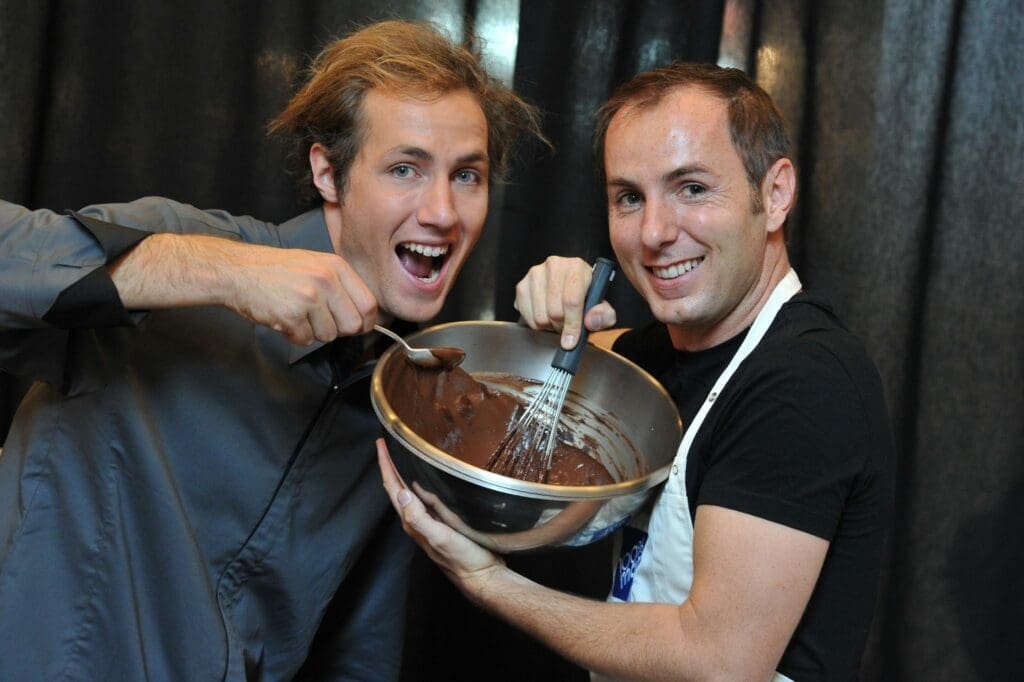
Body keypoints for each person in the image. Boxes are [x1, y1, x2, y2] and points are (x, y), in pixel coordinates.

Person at [0, 20, 543, 681]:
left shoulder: (404, 399)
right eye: (405, 169)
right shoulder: (184, 251)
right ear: (327, 172)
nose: (443, 212)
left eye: (467, 176)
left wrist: (564, 337)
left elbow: (360, 650)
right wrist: (225, 272)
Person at [378, 62, 893, 681]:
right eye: (629, 198)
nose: (654, 232)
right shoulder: (656, 357)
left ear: (776, 193)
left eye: (692, 188)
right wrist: (548, 313)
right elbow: (506, 382)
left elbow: (719, 663)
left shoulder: (805, 384)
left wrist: (489, 583)